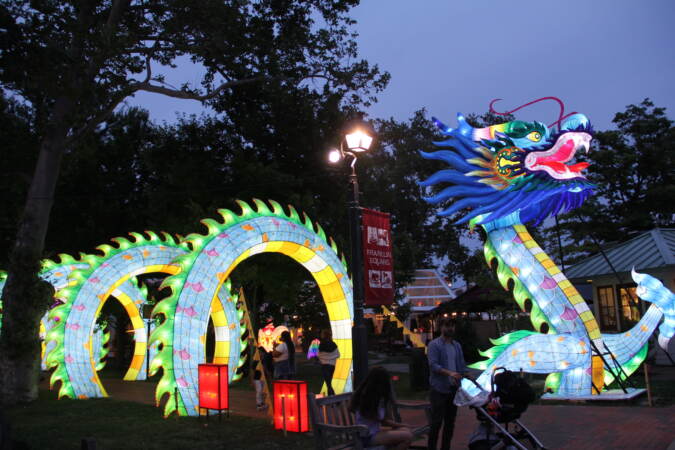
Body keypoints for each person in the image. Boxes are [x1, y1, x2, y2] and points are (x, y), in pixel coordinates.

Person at [427, 318, 469, 450]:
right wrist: (449, 373)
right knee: (436, 423)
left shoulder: (456, 345)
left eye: (452, 326)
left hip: (453, 389)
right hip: (439, 389)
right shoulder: (434, 345)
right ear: (441, 328)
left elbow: (461, 365)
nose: (450, 329)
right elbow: (433, 365)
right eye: (447, 326)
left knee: (450, 423)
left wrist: (467, 374)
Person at [349, 366, 413, 449]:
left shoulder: (373, 395)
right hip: (367, 437)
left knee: (406, 430)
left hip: (374, 432)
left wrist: (402, 425)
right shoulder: (367, 398)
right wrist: (401, 424)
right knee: (407, 437)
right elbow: (383, 421)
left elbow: (383, 420)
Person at [317, 329, 340, 395]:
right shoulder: (333, 344)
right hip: (332, 365)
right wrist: (331, 357)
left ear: (323, 335)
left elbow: (318, 355)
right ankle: (332, 398)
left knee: (328, 384)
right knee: (329, 383)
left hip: (325, 365)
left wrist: (323, 358)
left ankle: (333, 398)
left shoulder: (322, 344)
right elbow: (338, 355)